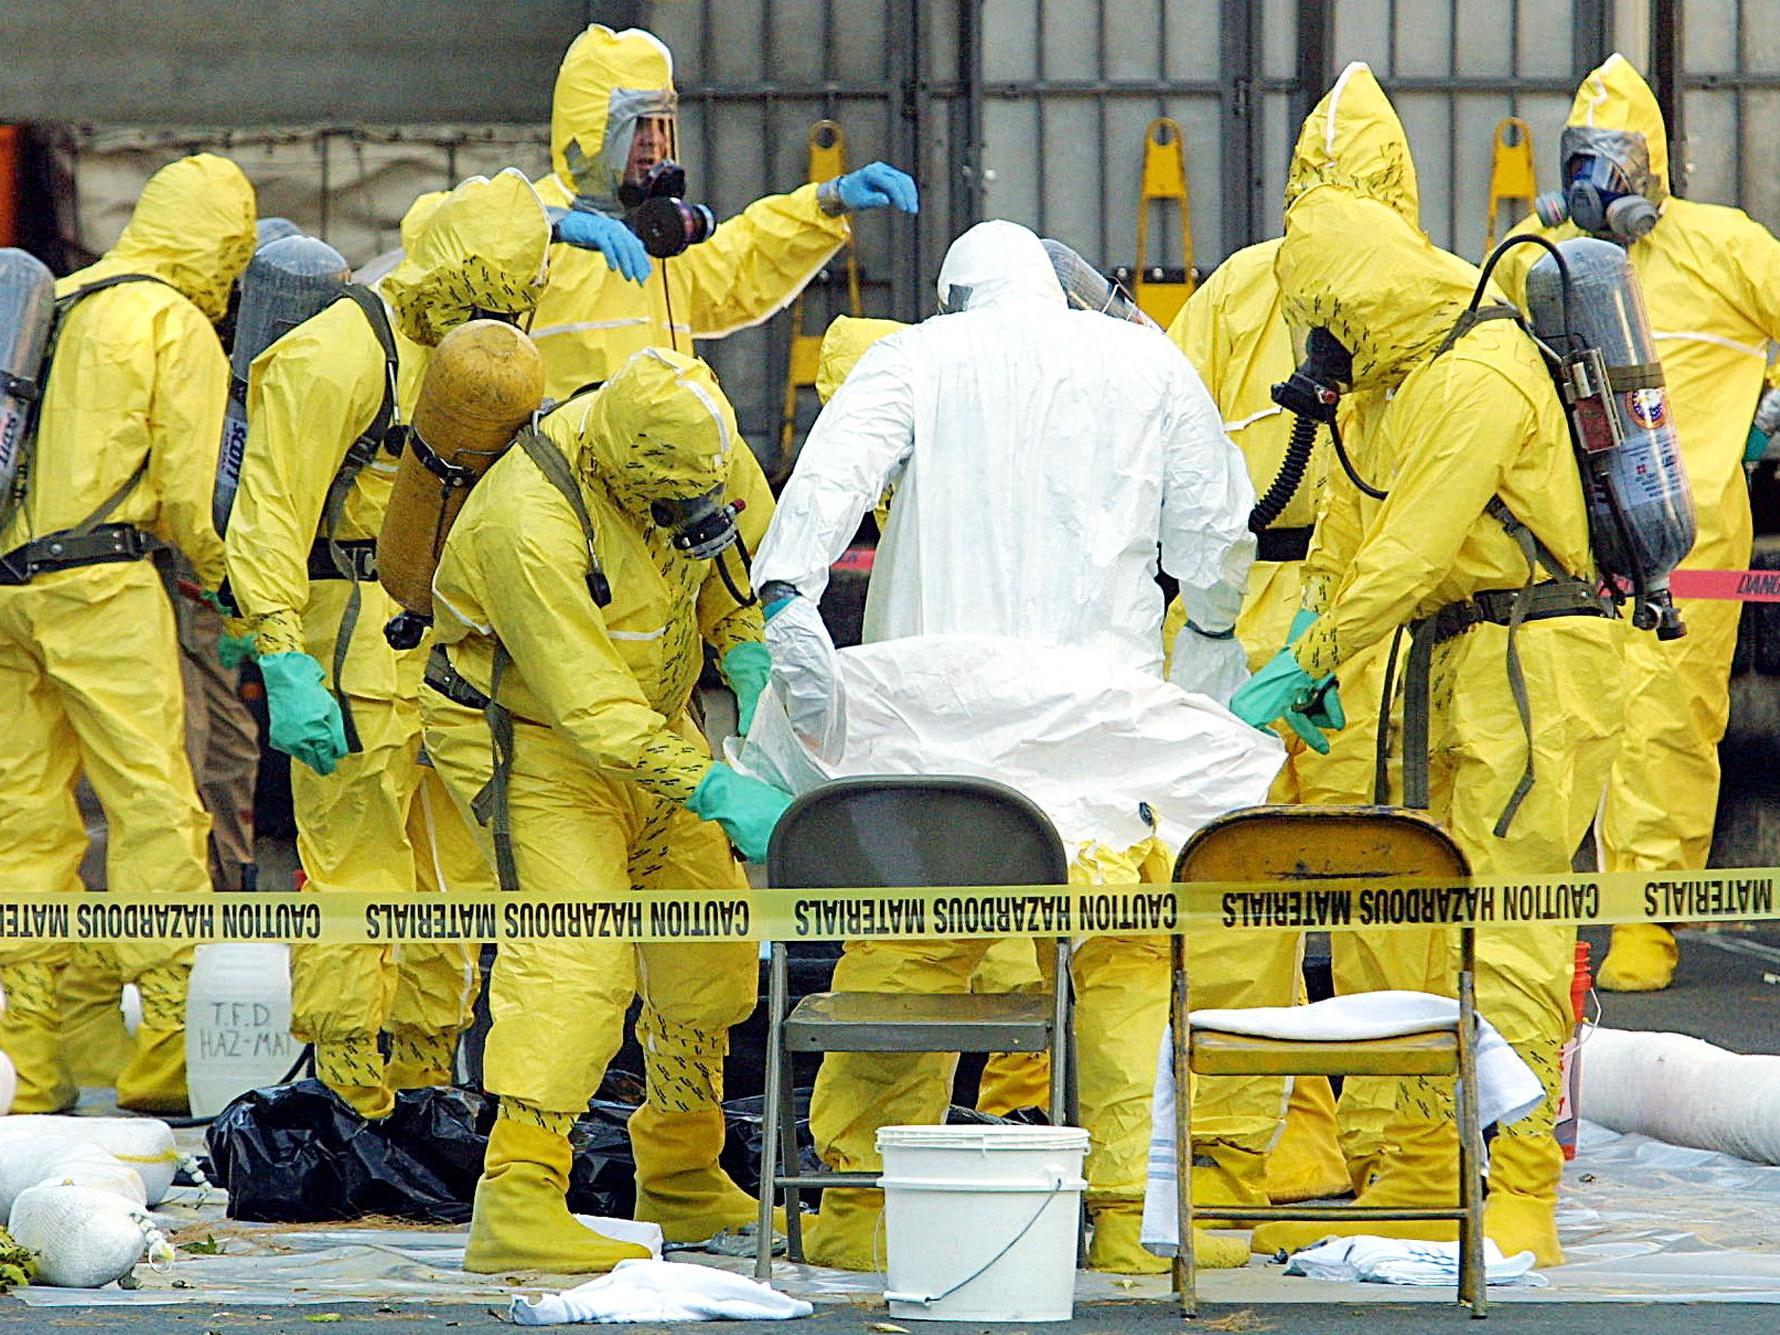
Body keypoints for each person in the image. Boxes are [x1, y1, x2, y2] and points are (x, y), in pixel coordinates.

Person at [750, 219, 1256, 1273]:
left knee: (907, 958)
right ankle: (1122, 1219)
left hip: (937, 738)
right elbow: (1213, 538)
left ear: (953, 294)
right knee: (1118, 968)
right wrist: (1210, 639)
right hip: (1102, 737)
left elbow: (826, 485)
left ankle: (853, 1214)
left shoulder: (913, 356)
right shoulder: (1146, 359)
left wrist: (788, 596)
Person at [1228, 73, 1628, 1266]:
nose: (1321, 341)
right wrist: (1324, 657)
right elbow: (1362, 528)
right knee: (1432, 919)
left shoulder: (1474, 375)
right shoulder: (1404, 384)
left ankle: (1517, 1194)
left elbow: (1407, 549)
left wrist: (1311, 653)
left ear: (1360, 292)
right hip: (1467, 668)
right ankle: (1429, 1167)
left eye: (1326, 313)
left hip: (1533, 673)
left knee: (1504, 930)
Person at [418, 348, 790, 1273]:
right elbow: (589, 709)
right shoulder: (527, 522)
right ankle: (518, 1195)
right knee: (576, 963)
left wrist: (745, 648)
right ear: (620, 475)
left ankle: (681, 1165)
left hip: (655, 724)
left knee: (709, 944)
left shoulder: (701, 439)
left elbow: (737, 565)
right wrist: (711, 786)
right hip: (534, 736)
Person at [224, 171, 551, 1120]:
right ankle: (344, 1095)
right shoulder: (337, 352)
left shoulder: (490, 358)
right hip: (351, 647)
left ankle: (422, 1089)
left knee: (454, 875)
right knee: (359, 875)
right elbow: (271, 512)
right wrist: (281, 654)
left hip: (452, 647)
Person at [1492, 53, 1780, 993]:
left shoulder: (1725, 247)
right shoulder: (1534, 256)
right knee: (1558, 721)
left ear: (1652, 163)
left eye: (1614, 156)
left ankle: (1645, 916)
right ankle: (1543, 923)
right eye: (1582, 155)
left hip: (1686, 540)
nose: (1595, 178)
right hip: (1569, 539)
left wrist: (1766, 408)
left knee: (1666, 722)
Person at [0, 153, 256, 1114]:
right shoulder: (171, 321)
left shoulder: (53, 298)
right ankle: (165, 1059)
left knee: (23, 820)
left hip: (7, 589)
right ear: (223, 245)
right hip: (103, 589)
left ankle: (31, 1065)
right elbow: (195, 498)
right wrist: (249, 600)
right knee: (154, 809)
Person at [528, 22, 917, 403]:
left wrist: (828, 201)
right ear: (591, 129)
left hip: (657, 455)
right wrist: (554, 227)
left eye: (662, 125)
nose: (657, 143)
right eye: (638, 126)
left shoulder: (658, 233)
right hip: (564, 461)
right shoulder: (528, 222)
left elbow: (739, 264)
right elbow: (475, 234)